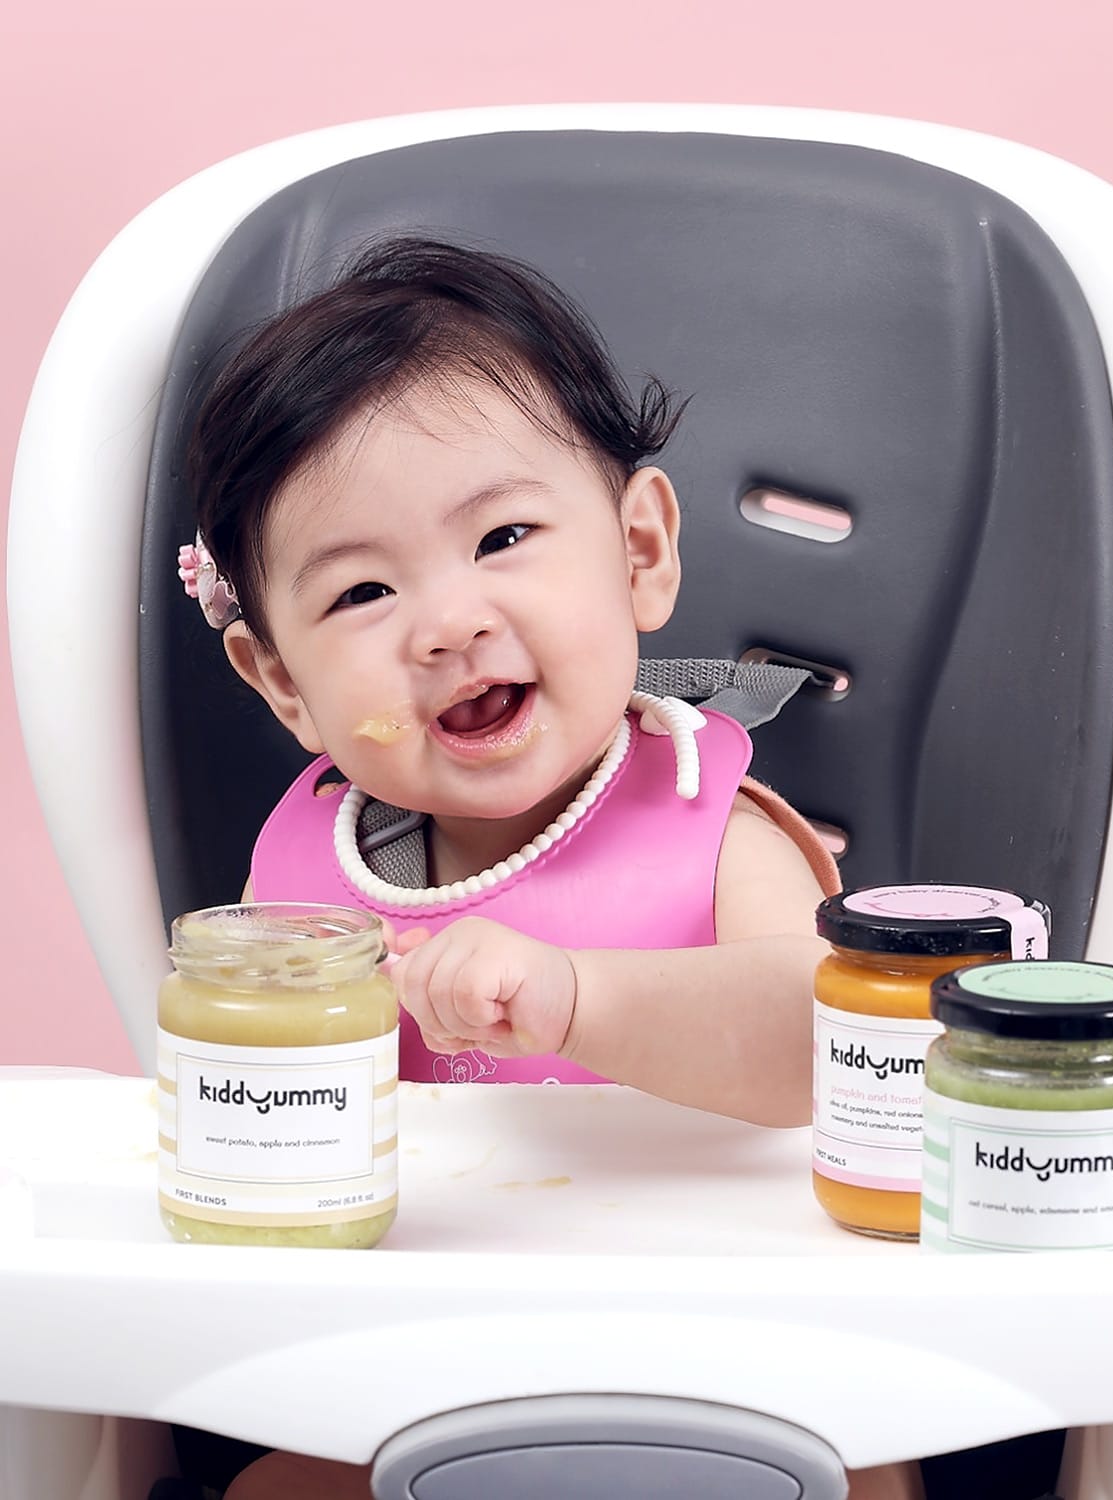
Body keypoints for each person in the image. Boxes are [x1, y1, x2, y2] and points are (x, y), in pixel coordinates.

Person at [177, 236, 925, 1500]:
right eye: (361, 593)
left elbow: (831, 1045)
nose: (448, 623)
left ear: (638, 552)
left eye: (504, 536)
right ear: (285, 683)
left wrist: (581, 999)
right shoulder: (302, 890)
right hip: (405, 1379)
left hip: (747, 1371)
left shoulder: (709, 828)